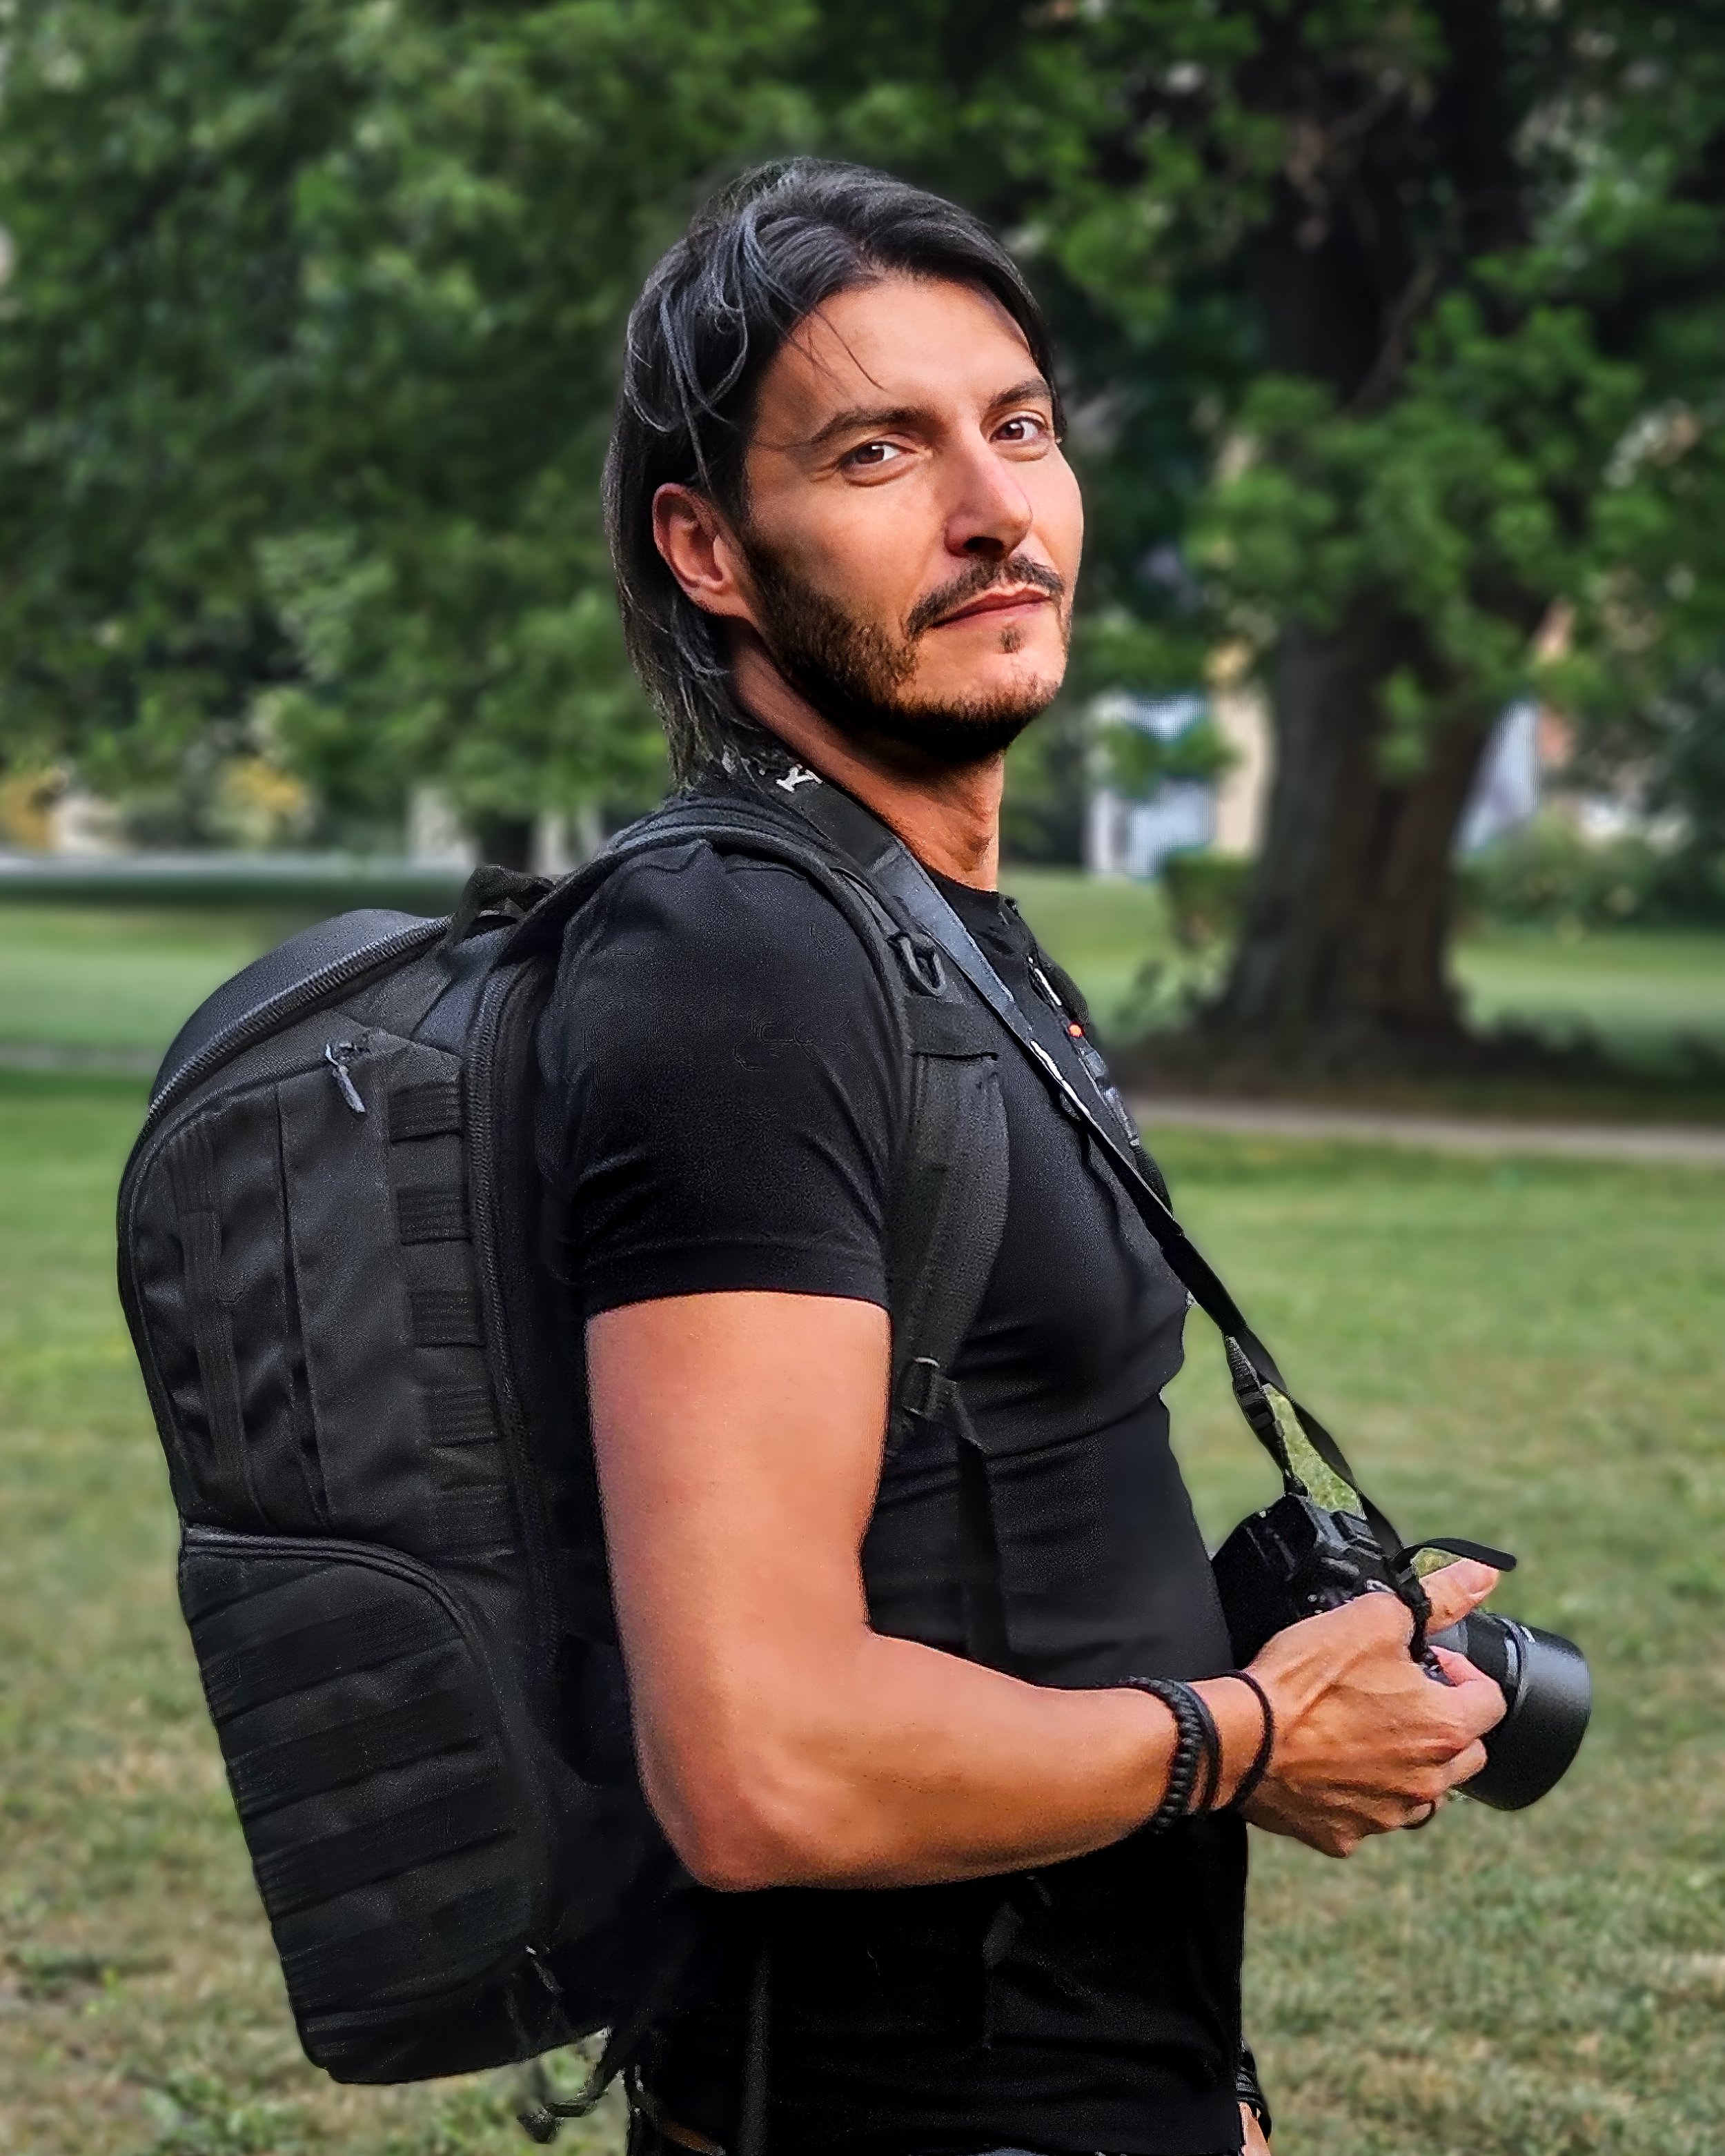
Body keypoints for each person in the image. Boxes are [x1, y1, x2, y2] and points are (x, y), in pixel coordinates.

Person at [538, 161, 1506, 2156]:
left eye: (1023, 427)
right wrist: (1253, 1740)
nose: (995, 510)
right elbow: (759, 1763)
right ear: (708, 546)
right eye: (880, 449)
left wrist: (1200, 2083)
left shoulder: (919, 915)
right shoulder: (738, 959)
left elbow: (1008, 1531)